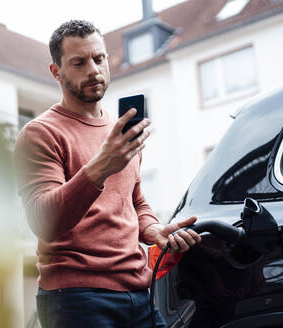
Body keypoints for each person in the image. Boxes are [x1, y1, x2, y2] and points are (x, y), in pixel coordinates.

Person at [14, 20, 201, 328]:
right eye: (79, 62)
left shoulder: (120, 134)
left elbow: (135, 202)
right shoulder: (40, 134)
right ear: (56, 72)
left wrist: (154, 231)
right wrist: (102, 165)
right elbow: (43, 222)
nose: (94, 70)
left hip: (139, 293)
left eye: (99, 59)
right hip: (76, 299)